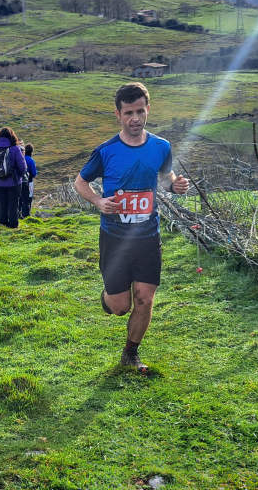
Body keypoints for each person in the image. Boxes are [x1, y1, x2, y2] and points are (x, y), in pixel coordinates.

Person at [73, 81, 190, 372]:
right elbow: (80, 182)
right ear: (118, 115)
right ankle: (109, 298)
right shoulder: (106, 151)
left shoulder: (162, 147)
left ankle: (130, 353)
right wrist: (99, 202)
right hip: (114, 237)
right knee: (120, 306)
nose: (135, 118)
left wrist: (175, 186)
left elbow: (166, 177)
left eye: (140, 111)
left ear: (147, 109)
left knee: (145, 299)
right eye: (128, 113)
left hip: (148, 236)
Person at [0, 126, 28, 229]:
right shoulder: (15, 149)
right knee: (13, 205)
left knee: (2, 205)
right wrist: (18, 176)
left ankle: (3, 225)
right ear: (12, 136)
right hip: (14, 183)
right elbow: (23, 167)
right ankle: (13, 226)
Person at [20, 143, 38, 218]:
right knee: (28, 198)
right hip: (29, 181)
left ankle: (20, 213)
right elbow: (34, 173)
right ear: (31, 151)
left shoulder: (21, 158)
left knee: (20, 198)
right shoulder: (31, 160)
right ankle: (26, 214)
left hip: (19, 182)